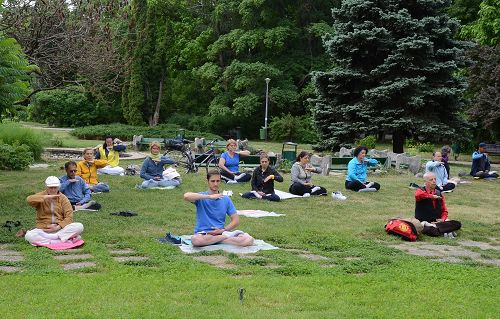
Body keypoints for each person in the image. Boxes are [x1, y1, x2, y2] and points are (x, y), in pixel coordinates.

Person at [183, 170, 254, 247]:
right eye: (212, 181)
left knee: (249, 240)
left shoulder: (225, 199)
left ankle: (217, 239)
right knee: (195, 240)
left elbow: (236, 221)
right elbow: (186, 196)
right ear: (208, 181)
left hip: (220, 232)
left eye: (218, 181)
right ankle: (222, 239)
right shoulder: (201, 196)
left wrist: (223, 230)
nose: (215, 184)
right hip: (203, 234)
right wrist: (209, 197)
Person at [24, 176, 84, 245]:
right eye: (50, 188)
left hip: (59, 229)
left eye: (55, 187)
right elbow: (29, 200)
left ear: (58, 187)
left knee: (79, 226)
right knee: (29, 236)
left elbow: (69, 217)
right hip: (44, 229)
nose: (53, 190)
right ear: (46, 187)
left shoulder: (63, 198)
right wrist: (45, 197)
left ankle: (53, 238)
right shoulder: (42, 196)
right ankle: (59, 240)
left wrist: (58, 227)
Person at [415, 172, 461, 238]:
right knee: (428, 229)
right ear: (425, 181)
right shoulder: (420, 191)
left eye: (435, 179)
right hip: (424, 222)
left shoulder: (438, 193)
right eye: (431, 180)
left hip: (438, 222)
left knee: (457, 223)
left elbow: (444, 210)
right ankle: (445, 229)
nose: (434, 181)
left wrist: (442, 219)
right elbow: (418, 195)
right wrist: (431, 196)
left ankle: (439, 228)